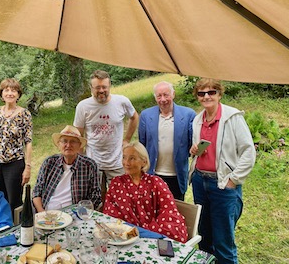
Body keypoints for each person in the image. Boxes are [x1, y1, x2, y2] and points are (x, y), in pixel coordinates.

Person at [189, 78, 256, 264]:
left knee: (223, 240)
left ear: (219, 94)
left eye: (211, 92)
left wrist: (233, 180)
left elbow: (248, 152)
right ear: (197, 97)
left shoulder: (232, 117)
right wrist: (194, 150)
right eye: (202, 93)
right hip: (200, 182)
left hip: (222, 184)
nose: (206, 96)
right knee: (205, 236)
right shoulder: (197, 119)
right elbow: (203, 150)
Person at [73, 70, 139, 202]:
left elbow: (134, 117)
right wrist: (81, 159)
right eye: (97, 87)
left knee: (122, 199)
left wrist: (126, 140)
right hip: (93, 162)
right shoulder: (83, 106)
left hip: (117, 161)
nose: (101, 90)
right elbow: (78, 135)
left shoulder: (121, 102)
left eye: (104, 87)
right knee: (97, 200)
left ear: (109, 86)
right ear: (91, 88)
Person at [103, 142, 188, 243]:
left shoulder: (156, 182)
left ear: (144, 162)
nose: (126, 163)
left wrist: (146, 230)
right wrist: (127, 232)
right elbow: (111, 214)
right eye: (124, 158)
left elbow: (169, 212)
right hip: (124, 238)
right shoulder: (116, 183)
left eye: (132, 158)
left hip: (153, 236)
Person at [138, 81, 196, 200]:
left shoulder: (188, 114)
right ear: (155, 98)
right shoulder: (145, 115)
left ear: (173, 94)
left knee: (175, 210)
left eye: (166, 95)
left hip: (177, 175)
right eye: (159, 96)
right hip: (153, 174)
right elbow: (142, 145)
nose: (163, 99)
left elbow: (191, 144)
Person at [0, 78, 33, 214]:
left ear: (18, 94)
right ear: (1, 93)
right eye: (6, 90)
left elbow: (28, 141)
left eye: (13, 90)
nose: (10, 93)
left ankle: (15, 230)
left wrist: (28, 167)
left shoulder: (24, 114)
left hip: (14, 163)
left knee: (14, 201)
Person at [33, 125, 101, 212]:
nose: (68, 145)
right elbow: (37, 191)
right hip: (47, 213)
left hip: (76, 214)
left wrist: (80, 213)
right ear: (59, 144)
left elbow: (95, 196)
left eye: (73, 142)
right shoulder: (49, 163)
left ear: (79, 145)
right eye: (64, 141)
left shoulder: (89, 165)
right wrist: (41, 212)